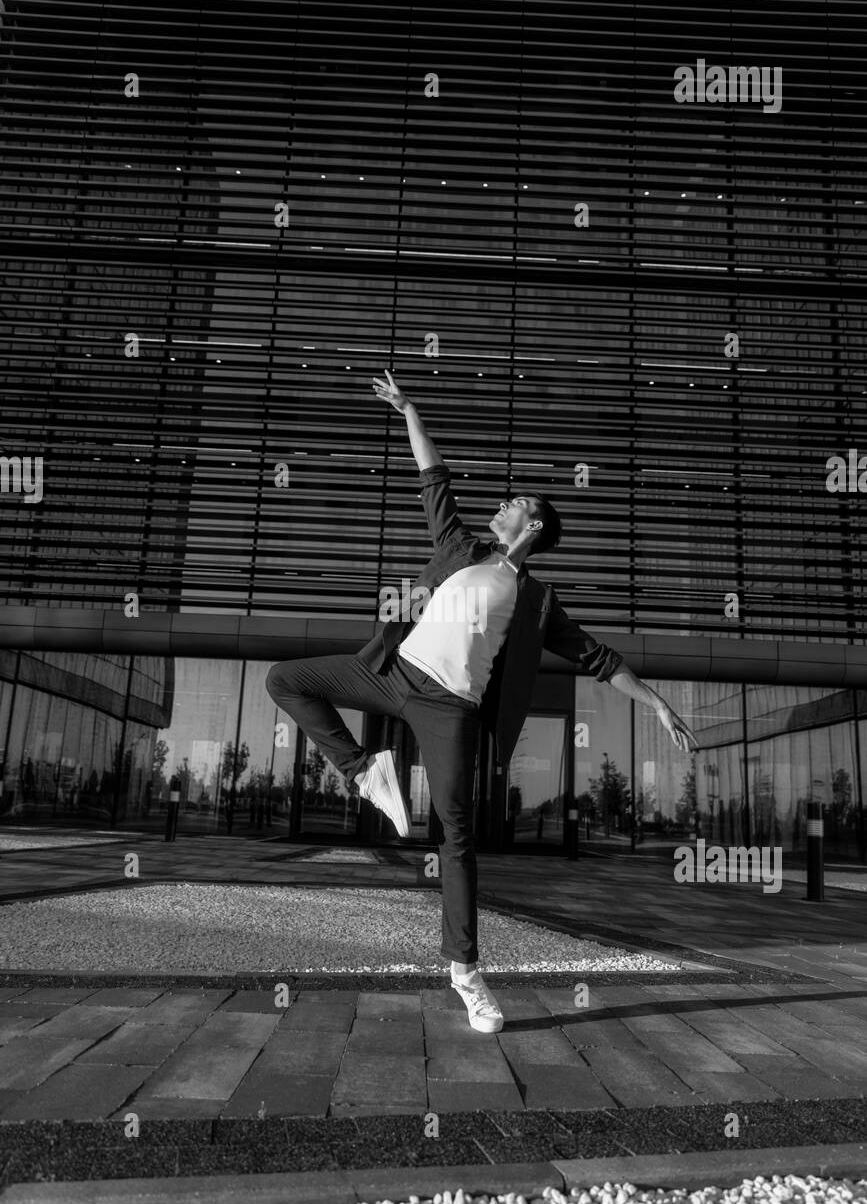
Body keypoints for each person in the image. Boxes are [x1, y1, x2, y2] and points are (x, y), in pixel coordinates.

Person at [266, 371, 697, 1033]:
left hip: (450, 711)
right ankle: (363, 770)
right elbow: (430, 475)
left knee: (457, 838)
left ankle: (465, 973)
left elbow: (598, 659)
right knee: (284, 679)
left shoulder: (536, 600)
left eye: (512, 503)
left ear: (533, 527)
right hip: (393, 674)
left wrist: (656, 703)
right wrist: (409, 409)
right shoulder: (458, 547)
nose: (500, 506)